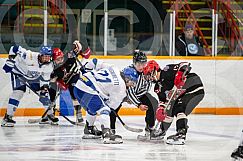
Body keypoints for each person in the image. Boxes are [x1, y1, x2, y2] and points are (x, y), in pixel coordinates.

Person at [143, 60, 205, 145]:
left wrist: (180, 74)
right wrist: (161, 109)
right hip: (183, 95)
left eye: (149, 74)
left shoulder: (167, 70)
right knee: (171, 109)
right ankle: (162, 131)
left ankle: (181, 134)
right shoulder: (158, 87)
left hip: (193, 87)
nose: (149, 78)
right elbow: (164, 102)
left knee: (179, 108)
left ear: (155, 70)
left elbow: (185, 64)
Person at [73, 65, 139, 144]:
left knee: (93, 108)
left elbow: (98, 64)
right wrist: (123, 99)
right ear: (127, 78)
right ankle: (107, 135)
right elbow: (111, 107)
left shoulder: (115, 68)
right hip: (87, 89)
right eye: (132, 82)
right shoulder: (121, 87)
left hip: (79, 86)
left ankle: (89, 129)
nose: (132, 85)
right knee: (104, 109)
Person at [1, 45, 57, 126]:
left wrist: (44, 88)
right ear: (40, 55)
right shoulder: (29, 56)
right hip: (19, 74)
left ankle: (49, 115)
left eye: (49, 57)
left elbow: (45, 80)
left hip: (32, 77)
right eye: (45, 56)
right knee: (18, 93)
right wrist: (11, 59)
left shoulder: (49, 66)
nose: (47, 59)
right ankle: (8, 117)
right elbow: (14, 48)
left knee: (44, 94)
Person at [109, 50, 159, 140]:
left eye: (143, 64)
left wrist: (154, 80)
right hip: (122, 93)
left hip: (139, 93)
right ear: (134, 63)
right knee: (113, 109)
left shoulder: (147, 70)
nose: (141, 67)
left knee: (153, 103)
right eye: (138, 64)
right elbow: (129, 92)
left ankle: (150, 128)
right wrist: (138, 104)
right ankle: (111, 130)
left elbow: (150, 84)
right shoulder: (130, 72)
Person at [47, 40, 91, 124]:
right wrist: (53, 81)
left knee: (74, 92)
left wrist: (78, 45)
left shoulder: (69, 56)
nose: (60, 60)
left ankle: (78, 113)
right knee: (52, 91)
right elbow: (51, 80)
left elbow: (82, 50)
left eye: (61, 58)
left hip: (74, 75)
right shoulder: (52, 69)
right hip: (62, 80)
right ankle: (50, 113)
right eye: (57, 59)